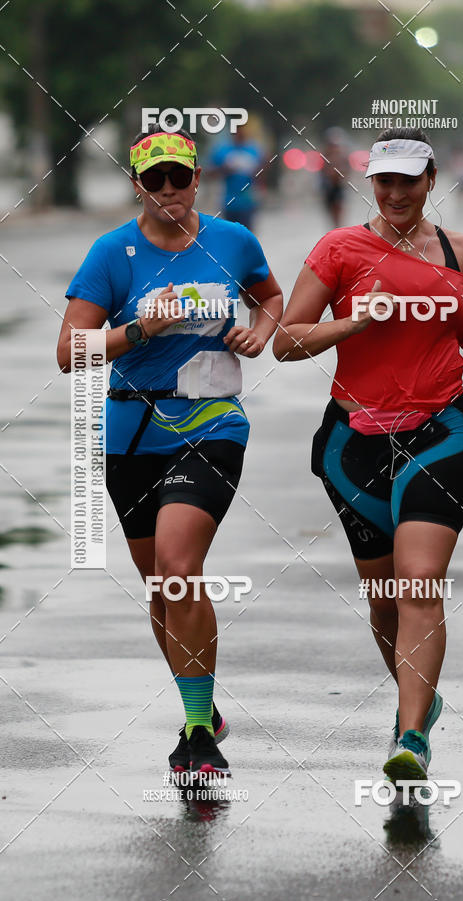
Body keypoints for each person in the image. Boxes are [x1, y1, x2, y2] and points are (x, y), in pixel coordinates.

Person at [57, 125, 282, 780]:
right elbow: (70, 353)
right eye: (152, 179)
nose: (167, 191)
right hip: (131, 433)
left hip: (213, 424)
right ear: (136, 184)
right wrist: (137, 330)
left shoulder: (233, 242)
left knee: (180, 565)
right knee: (161, 588)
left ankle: (195, 734)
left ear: (196, 179)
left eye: (177, 177)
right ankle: (203, 709)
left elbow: (269, 295)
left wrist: (260, 332)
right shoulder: (112, 253)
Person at [273, 127, 463, 786]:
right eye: (384, 180)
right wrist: (353, 321)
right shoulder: (339, 249)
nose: (396, 192)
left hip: (444, 430)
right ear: (372, 182)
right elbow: (286, 342)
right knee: (385, 601)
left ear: (431, 181)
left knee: (419, 581)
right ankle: (420, 695)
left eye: (409, 180)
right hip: (354, 443)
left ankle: (410, 734)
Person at [208, 123, 264, 232]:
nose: (240, 133)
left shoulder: (253, 150)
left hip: (248, 201)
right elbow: (210, 172)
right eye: (237, 130)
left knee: (246, 237)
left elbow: (262, 172)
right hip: (229, 202)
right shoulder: (223, 150)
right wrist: (225, 169)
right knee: (231, 237)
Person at [319, 128, 349, 228]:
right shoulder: (325, 156)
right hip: (329, 187)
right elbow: (322, 172)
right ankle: (335, 228)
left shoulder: (343, 156)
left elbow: (347, 171)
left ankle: (338, 228)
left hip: (339, 187)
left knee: (339, 210)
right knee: (331, 211)